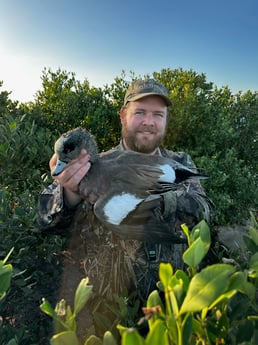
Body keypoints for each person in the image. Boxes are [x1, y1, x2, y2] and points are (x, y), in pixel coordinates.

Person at [37, 78, 213, 338]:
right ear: (123, 116)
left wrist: (151, 198)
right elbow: (44, 221)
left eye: (157, 114)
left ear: (165, 120)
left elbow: (204, 210)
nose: (148, 122)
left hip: (173, 306)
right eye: (140, 112)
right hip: (109, 318)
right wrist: (71, 194)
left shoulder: (180, 162)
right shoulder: (84, 168)